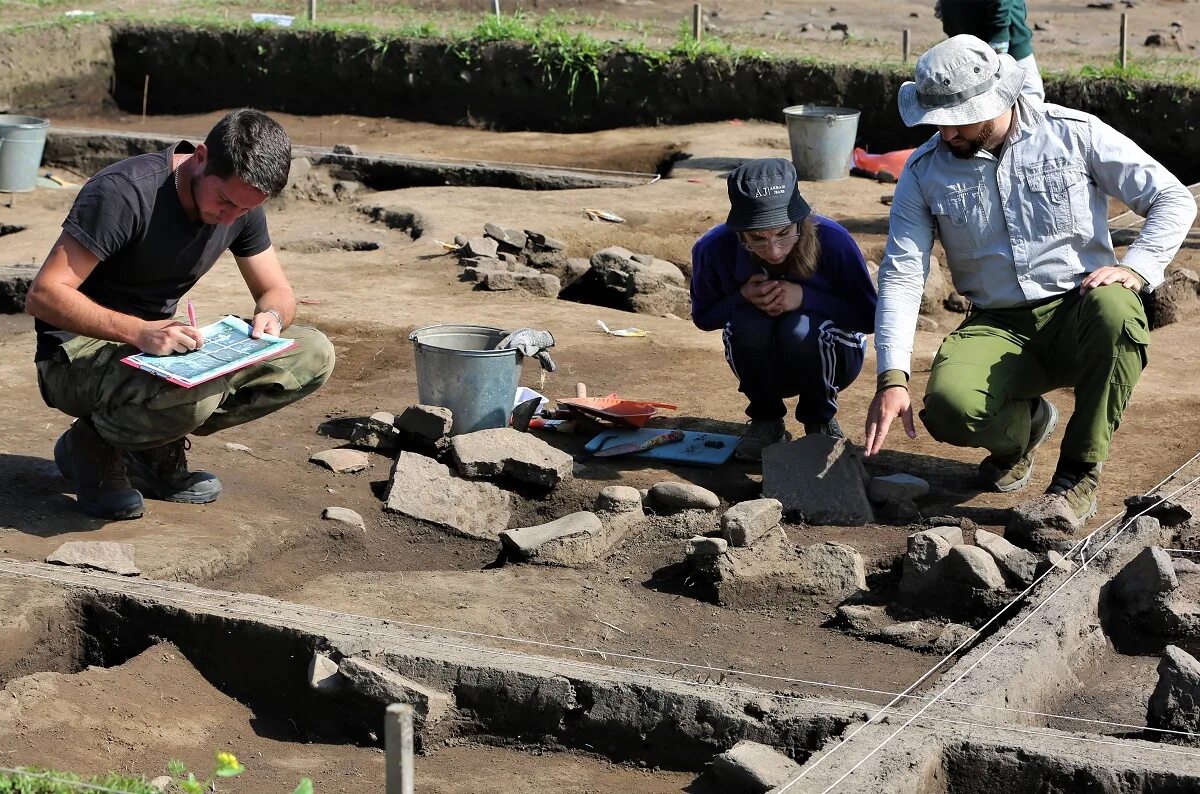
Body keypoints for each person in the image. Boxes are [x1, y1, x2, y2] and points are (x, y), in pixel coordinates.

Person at [865, 36, 1196, 524]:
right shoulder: (924, 171)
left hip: (1081, 310)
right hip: (998, 323)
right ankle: (1027, 427)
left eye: (956, 120)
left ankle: (1078, 474)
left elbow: (1173, 197)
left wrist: (1137, 266)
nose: (943, 132)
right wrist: (891, 377)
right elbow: (901, 274)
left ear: (993, 100)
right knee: (950, 410)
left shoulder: (1074, 133)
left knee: (1118, 309)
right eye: (936, 119)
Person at [26, 108, 336, 521]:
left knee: (312, 352)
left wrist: (272, 318)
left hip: (156, 349)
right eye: (224, 202)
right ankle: (95, 445)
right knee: (195, 397)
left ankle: (150, 447)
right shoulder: (125, 193)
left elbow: (275, 291)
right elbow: (45, 294)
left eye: (243, 212)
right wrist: (140, 332)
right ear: (202, 156)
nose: (229, 218)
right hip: (74, 356)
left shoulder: (240, 202)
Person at [690, 158, 877, 462]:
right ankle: (766, 421)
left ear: (800, 220)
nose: (773, 250)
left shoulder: (833, 240)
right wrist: (742, 297)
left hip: (835, 357)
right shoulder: (713, 248)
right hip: (767, 360)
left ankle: (820, 422)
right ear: (739, 231)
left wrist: (806, 298)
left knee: (800, 327)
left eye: (783, 233)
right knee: (747, 323)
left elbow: (869, 317)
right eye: (757, 239)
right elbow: (704, 317)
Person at [936, 0, 1045, 105]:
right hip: (1001, 35)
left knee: (977, 96)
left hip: (962, 27)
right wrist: (1000, 34)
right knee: (1030, 92)